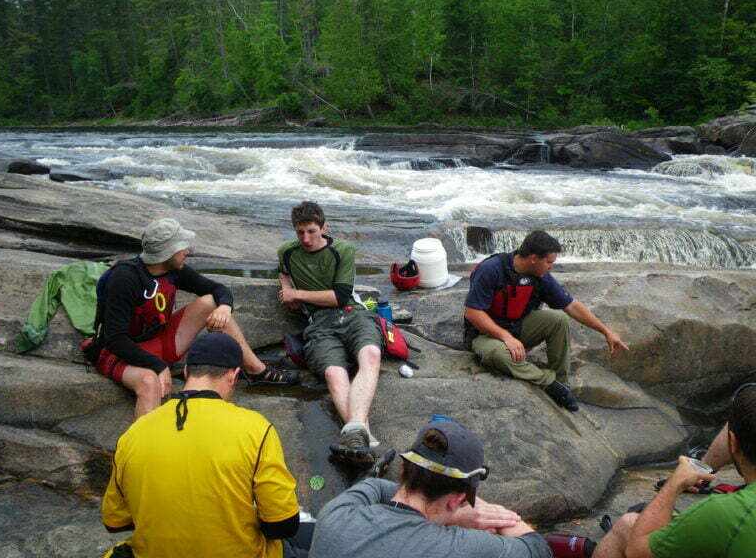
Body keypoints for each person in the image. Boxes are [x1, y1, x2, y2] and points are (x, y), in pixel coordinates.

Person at [101, 331, 312, 558]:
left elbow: (115, 521)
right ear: (233, 375)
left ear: (186, 372)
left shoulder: (134, 434)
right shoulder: (256, 430)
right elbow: (282, 524)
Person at [86, 218, 297, 418]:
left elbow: (216, 289)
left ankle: (255, 370)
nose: (188, 251)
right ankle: (145, 450)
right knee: (149, 382)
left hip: (159, 343)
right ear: (166, 252)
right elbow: (115, 340)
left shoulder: (174, 269)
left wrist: (224, 306)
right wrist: (157, 366)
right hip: (122, 355)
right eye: (182, 248)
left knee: (210, 302)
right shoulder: (125, 279)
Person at [308, 417, 552, 558]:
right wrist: (469, 512)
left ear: (402, 469)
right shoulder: (456, 547)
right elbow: (538, 549)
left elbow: (374, 485)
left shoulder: (336, 514)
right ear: (456, 499)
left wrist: (455, 510)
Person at [463, 230, 628, 412]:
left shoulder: (540, 276)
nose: (551, 267)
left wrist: (606, 332)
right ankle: (549, 382)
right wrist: (505, 337)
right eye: (549, 262)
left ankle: (561, 383)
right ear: (534, 258)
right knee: (498, 354)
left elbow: (571, 306)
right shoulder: (491, 269)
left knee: (558, 318)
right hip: (485, 334)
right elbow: (473, 312)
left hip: (518, 327)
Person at [592, 383, 756, 558]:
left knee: (628, 525)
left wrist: (674, 484)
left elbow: (637, 551)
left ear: (732, 441)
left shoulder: (725, 513)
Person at [277, 201, 382, 466]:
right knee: (334, 373)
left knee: (370, 354)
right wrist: (285, 285)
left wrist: (296, 293)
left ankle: (355, 435)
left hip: (352, 312)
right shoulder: (287, 252)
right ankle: (362, 435)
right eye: (300, 232)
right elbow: (282, 271)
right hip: (318, 324)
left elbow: (339, 295)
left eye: (312, 231)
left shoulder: (342, 250)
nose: (306, 238)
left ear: (324, 227)